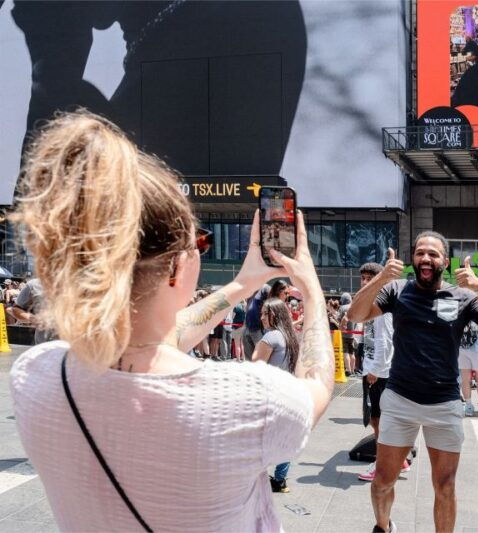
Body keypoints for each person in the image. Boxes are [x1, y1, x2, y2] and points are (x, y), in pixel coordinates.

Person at [8, 111, 334, 532]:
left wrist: (241, 285)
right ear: (178, 267)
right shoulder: (250, 399)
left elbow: (157, 339)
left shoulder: (37, 376)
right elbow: (319, 381)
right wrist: (310, 289)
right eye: (201, 240)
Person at [347, 232, 478, 533]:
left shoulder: (462, 297)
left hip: (444, 404)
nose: (426, 258)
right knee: (383, 482)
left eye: (433, 254)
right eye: (420, 253)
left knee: (445, 485)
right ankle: (383, 527)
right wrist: (382, 277)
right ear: (413, 259)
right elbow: (355, 313)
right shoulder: (396, 290)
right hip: (400, 400)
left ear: (445, 262)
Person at [354, 262, 409, 483]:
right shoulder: (374, 302)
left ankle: (382, 466)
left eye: (370, 278)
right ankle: (400, 461)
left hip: (381, 372)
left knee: (379, 420)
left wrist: (375, 370)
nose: (365, 282)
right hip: (376, 368)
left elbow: (386, 341)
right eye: (363, 278)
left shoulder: (382, 303)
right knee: (380, 419)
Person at [253, 298, 301, 493]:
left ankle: (257, 478)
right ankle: (280, 480)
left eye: (265, 313)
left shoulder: (271, 337)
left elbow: (255, 366)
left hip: (270, 395)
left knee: (260, 438)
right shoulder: (290, 336)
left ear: (274, 315)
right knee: (283, 439)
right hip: (288, 394)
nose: (262, 317)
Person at [9, 278, 55, 344]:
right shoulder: (33, 285)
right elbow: (16, 308)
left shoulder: (73, 283)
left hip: (70, 344)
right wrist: (33, 318)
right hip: (43, 343)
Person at [243, 284, 270, 361]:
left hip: (258, 328)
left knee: (260, 357)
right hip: (247, 328)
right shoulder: (250, 290)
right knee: (248, 357)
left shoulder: (265, 288)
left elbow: (272, 302)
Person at [339, 292, 360, 376]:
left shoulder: (342, 308)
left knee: (345, 352)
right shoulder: (353, 307)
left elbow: (339, 319)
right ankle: (353, 369)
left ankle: (348, 370)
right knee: (352, 353)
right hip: (352, 334)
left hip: (344, 334)